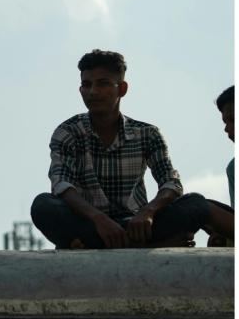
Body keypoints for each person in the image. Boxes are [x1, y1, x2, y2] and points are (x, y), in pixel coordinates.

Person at [31, 49, 234, 249]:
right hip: (90, 224)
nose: (93, 91)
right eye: (87, 84)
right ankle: (141, 246)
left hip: (137, 225)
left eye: (103, 83)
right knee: (43, 206)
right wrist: (99, 219)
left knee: (196, 203)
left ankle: (115, 244)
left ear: (122, 89)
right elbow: (62, 185)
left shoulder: (147, 134)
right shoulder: (67, 132)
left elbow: (171, 183)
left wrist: (148, 212)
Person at [208, 85, 234, 247]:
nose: (226, 128)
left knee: (200, 207)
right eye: (225, 121)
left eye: (232, 119)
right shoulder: (234, 168)